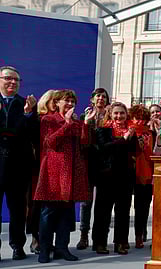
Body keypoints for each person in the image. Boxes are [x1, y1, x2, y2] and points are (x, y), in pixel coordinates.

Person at [34, 89, 94, 263]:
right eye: (66, 101)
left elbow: (85, 143)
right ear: (57, 102)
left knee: (66, 212)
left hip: (72, 171)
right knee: (48, 212)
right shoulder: (48, 119)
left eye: (72, 102)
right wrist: (66, 124)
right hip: (53, 170)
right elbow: (49, 142)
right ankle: (44, 249)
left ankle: (62, 248)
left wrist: (85, 124)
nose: (69, 104)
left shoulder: (76, 121)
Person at [0, 66, 37, 261]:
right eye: (8, 78)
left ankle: (17, 246)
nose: (12, 82)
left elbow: (32, 134)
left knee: (17, 211)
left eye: (16, 80)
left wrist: (28, 115)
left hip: (18, 167)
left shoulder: (27, 104)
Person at [92, 102, 136, 255]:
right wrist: (123, 139)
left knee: (123, 211)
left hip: (125, 175)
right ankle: (99, 243)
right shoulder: (103, 129)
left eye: (122, 113)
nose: (119, 116)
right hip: (107, 176)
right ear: (110, 114)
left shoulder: (131, 130)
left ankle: (121, 242)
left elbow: (134, 151)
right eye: (116, 113)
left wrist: (133, 138)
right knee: (103, 211)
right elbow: (104, 148)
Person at [76, 88, 110, 250]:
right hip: (88, 163)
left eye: (104, 97)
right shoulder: (85, 117)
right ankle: (83, 235)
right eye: (98, 96)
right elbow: (82, 141)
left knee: (102, 204)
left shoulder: (111, 118)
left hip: (105, 165)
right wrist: (88, 122)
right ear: (92, 99)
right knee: (85, 202)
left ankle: (99, 238)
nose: (101, 99)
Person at [27, 89, 57, 255]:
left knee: (51, 206)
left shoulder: (61, 120)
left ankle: (48, 240)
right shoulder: (37, 119)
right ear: (46, 102)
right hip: (38, 167)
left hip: (55, 168)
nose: (57, 103)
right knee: (37, 205)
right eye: (54, 100)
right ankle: (35, 240)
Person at [129, 104, 154, 248]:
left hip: (146, 173)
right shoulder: (127, 131)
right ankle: (124, 239)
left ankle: (140, 235)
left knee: (142, 207)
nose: (140, 122)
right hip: (129, 172)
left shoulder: (151, 133)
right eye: (137, 118)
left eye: (143, 119)